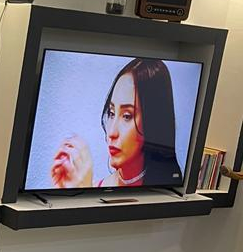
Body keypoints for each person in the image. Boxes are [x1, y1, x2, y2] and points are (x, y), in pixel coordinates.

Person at [50, 58, 182, 189]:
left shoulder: (169, 191)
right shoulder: (94, 187)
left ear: (153, 124)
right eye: (111, 113)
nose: (111, 133)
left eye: (126, 116)